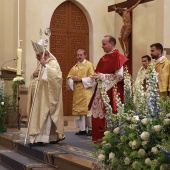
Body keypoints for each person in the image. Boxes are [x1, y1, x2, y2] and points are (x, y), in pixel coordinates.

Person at [89, 35, 128, 142]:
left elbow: (120, 76)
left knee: (108, 116)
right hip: (101, 90)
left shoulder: (119, 57)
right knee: (97, 116)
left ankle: (108, 140)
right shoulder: (103, 58)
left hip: (111, 91)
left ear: (111, 44)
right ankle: (98, 139)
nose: (102, 46)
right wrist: (95, 77)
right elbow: (98, 73)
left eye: (104, 44)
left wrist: (102, 76)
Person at [27, 39, 64, 146]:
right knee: (42, 116)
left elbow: (57, 77)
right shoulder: (41, 64)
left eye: (38, 56)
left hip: (47, 96)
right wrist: (33, 74)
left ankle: (40, 138)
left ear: (45, 55)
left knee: (45, 116)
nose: (37, 58)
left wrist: (46, 66)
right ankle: (53, 137)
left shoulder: (53, 63)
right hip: (40, 95)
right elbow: (37, 77)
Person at [67, 49, 95, 136]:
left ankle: (90, 128)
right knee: (80, 112)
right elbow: (68, 77)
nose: (79, 57)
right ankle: (82, 129)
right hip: (77, 92)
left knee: (87, 111)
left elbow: (93, 78)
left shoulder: (89, 65)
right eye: (78, 55)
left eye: (81, 55)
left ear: (85, 56)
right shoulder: (75, 67)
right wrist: (72, 80)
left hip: (86, 92)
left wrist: (81, 79)